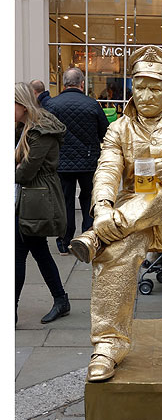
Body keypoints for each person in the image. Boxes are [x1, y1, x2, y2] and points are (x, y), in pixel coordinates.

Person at [67, 45, 162, 382]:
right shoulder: (119, 128)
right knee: (115, 253)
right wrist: (102, 207)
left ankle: (97, 236)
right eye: (140, 86)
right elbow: (106, 169)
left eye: (156, 87)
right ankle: (107, 346)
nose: (146, 95)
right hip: (136, 219)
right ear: (131, 85)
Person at [15, 82, 70, 324]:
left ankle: (12, 311)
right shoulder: (24, 128)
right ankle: (61, 299)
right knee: (36, 251)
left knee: (18, 254)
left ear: (23, 105)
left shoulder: (40, 132)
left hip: (36, 196)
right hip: (27, 197)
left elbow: (26, 171)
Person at [45, 67, 109, 255]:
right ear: (82, 83)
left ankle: (64, 242)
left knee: (65, 201)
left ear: (64, 83)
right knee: (89, 199)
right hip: (88, 160)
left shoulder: (52, 105)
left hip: (61, 160)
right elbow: (104, 132)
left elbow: (46, 134)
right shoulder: (92, 104)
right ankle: (88, 239)